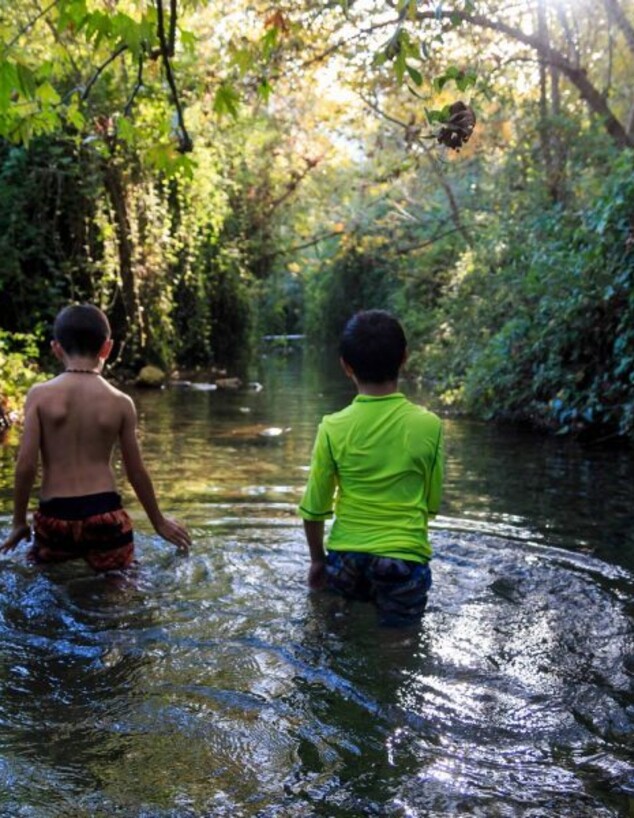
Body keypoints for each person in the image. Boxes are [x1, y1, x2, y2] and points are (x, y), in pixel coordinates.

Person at [0, 304, 191, 571]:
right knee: (119, 591)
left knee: (50, 584)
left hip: (55, 515)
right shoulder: (121, 402)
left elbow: (26, 466)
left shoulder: (39, 395)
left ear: (56, 348)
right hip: (106, 513)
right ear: (107, 348)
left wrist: (19, 522)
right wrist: (158, 520)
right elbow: (136, 472)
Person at [298, 310, 443, 626]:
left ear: (345, 366)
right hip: (404, 560)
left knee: (340, 640)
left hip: (346, 558)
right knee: (399, 648)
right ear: (404, 358)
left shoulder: (332, 428)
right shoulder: (429, 426)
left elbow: (313, 509)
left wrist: (317, 561)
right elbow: (431, 504)